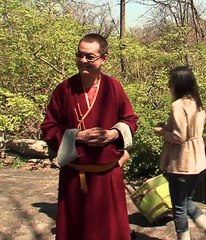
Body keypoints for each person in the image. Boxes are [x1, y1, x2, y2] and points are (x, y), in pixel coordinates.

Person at [40, 33, 138, 240]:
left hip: (107, 177)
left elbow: (130, 119)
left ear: (104, 58)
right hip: (74, 179)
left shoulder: (113, 87)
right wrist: (77, 136)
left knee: (109, 233)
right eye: (80, 55)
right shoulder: (63, 90)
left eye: (89, 56)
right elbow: (48, 127)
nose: (83, 61)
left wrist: (114, 133)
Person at [154, 66, 206, 240]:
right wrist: (169, 128)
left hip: (182, 163)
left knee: (179, 207)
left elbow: (180, 136)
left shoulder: (177, 105)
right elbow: (189, 132)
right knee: (188, 200)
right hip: (198, 161)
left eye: (171, 83)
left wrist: (162, 132)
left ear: (178, 85)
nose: (169, 86)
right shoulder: (197, 103)